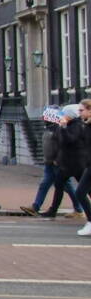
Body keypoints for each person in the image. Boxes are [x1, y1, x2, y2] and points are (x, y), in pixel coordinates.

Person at [23, 118, 79, 217]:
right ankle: (35, 206)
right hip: (48, 162)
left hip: (56, 163)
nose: (43, 119)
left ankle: (78, 209)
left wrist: (57, 159)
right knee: (45, 184)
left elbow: (62, 145)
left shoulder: (58, 129)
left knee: (67, 187)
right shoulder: (48, 128)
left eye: (45, 117)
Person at [65, 99, 91, 236]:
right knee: (81, 192)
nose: (79, 113)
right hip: (87, 164)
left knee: (80, 192)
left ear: (89, 110)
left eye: (82, 110)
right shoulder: (85, 125)